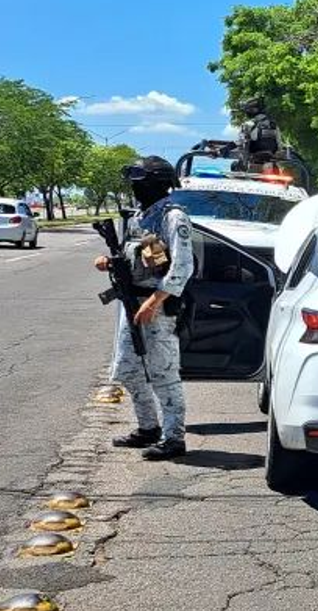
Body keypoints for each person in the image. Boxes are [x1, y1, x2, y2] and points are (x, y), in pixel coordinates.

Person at [93, 156, 194, 460]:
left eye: (139, 184)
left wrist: (154, 301)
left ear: (155, 184)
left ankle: (174, 437)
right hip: (131, 303)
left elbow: (182, 267)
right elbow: (139, 256)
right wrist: (109, 262)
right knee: (127, 369)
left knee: (164, 373)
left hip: (158, 306)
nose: (135, 189)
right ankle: (148, 427)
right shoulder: (141, 216)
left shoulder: (173, 217)